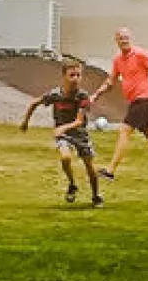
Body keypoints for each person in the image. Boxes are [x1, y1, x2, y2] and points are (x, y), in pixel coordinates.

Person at [90, 27, 148, 181]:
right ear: (116, 41)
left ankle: (110, 171)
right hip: (134, 101)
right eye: (120, 38)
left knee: (125, 130)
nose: (123, 40)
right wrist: (97, 94)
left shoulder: (141, 54)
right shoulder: (118, 60)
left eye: (126, 37)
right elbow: (110, 81)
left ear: (130, 38)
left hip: (143, 100)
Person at [20, 60, 103, 207]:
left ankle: (96, 195)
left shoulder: (83, 96)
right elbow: (34, 103)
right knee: (65, 158)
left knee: (90, 166)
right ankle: (72, 184)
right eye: (72, 75)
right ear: (64, 76)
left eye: (78, 75)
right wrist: (25, 122)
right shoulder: (55, 94)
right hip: (63, 135)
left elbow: (79, 121)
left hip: (80, 134)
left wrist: (62, 128)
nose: (76, 78)